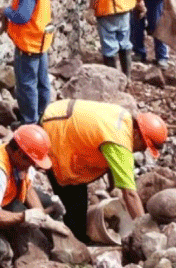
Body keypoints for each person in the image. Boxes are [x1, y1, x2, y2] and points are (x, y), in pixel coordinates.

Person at [40, 99, 168, 243]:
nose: (141, 150)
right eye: (144, 146)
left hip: (60, 112)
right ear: (138, 135)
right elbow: (130, 194)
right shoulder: (119, 144)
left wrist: (113, 188)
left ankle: (74, 233)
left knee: (79, 199)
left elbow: (109, 154)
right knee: (73, 199)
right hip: (55, 131)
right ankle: (73, 244)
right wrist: (144, 232)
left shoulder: (124, 118)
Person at [0, 125, 69, 258]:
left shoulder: (19, 159)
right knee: (20, 216)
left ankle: (52, 242)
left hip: (6, 195)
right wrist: (24, 217)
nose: (34, 166)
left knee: (47, 203)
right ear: (20, 154)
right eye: (32, 162)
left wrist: (44, 217)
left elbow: (28, 187)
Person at [0, 0, 53, 126]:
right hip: (41, 40)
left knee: (26, 84)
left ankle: (29, 122)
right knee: (42, 81)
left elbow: (22, 16)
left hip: (28, 43)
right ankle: (42, 115)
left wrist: (5, 11)